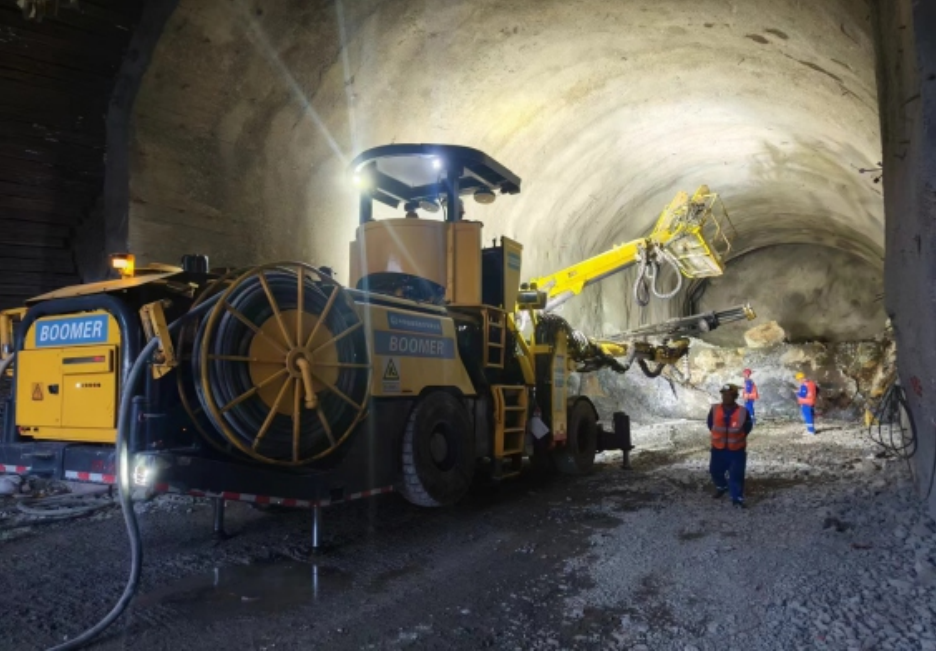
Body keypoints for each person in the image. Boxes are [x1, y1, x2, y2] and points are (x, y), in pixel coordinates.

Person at [708, 383, 754, 508]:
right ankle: (721, 487)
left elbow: (747, 427)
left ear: (735, 396)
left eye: (728, 395)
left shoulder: (743, 411)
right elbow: (710, 424)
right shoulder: (715, 409)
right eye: (723, 395)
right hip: (718, 448)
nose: (725, 397)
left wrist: (736, 438)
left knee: (736, 474)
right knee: (715, 471)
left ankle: (737, 498)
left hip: (736, 450)